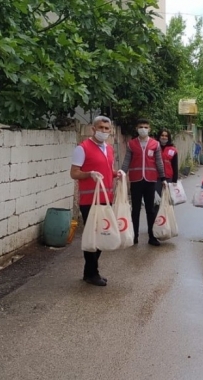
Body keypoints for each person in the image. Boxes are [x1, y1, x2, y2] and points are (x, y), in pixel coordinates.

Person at [70, 115, 123, 286]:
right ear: (93, 129)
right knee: (92, 237)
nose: (104, 131)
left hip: (106, 199)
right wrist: (89, 174)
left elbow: (107, 170)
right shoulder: (82, 148)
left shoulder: (109, 149)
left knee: (101, 236)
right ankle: (92, 273)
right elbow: (74, 173)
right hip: (89, 201)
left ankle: (90, 272)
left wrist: (116, 173)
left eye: (107, 128)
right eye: (101, 128)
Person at [121, 118, 167, 247]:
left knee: (150, 210)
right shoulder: (131, 144)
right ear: (137, 129)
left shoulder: (155, 144)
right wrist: (122, 173)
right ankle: (134, 236)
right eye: (141, 127)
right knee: (135, 210)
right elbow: (127, 160)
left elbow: (159, 162)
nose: (143, 129)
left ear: (149, 129)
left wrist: (163, 178)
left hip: (150, 181)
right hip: (136, 180)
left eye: (146, 127)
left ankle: (152, 236)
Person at [156, 129, 178, 197]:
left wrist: (175, 180)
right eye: (162, 135)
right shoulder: (154, 147)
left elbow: (175, 166)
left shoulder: (173, 149)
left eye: (166, 136)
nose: (164, 137)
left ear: (168, 137)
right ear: (159, 136)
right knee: (157, 199)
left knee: (167, 199)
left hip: (169, 178)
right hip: (156, 178)